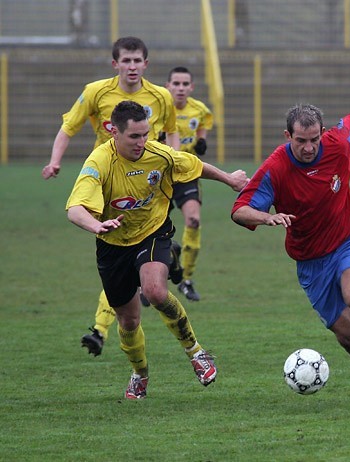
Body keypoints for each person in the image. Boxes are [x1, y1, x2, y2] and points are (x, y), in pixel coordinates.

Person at [231, 97, 350, 403]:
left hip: (346, 242)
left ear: (322, 132)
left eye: (314, 139)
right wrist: (267, 217)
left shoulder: (338, 143)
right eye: (300, 141)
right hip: (310, 264)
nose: (308, 147)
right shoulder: (276, 168)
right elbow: (239, 210)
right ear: (287, 136)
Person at [66, 100, 248, 399]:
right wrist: (96, 226)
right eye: (134, 137)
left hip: (153, 231)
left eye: (145, 134)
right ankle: (140, 373)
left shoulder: (158, 153)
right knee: (128, 320)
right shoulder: (99, 162)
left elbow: (195, 166)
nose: (142, 142)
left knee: (155, 291)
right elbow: (75, 208)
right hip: (112, 245)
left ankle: (196, 352)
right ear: (114, 133)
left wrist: (230, 180)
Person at [41, 36, 182, 355]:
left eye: (137, 61)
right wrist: (55, 160)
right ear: (115, 63)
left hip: (150, 184)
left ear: (146, 64)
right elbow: (68, 127)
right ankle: (167, 255)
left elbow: (171, 131)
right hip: (108, 187)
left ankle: (100, 329)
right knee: (120, 254)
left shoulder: (160, 96)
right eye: (126, 61)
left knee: (124, 254)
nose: (132, 66)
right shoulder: (96, 92)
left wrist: (174, 161)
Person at [163, 66, 214, 301]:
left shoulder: (200, 109)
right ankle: (146, 282)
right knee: (150, 228)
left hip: (187, 172)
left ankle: (186, 279)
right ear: (168, 86)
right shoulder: (160, 109)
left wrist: (201, 140)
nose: (181, 88)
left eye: (185, 84)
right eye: (176, 84)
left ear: (191, 87)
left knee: (193, 220)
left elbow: (203, 123)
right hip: (161, 175)